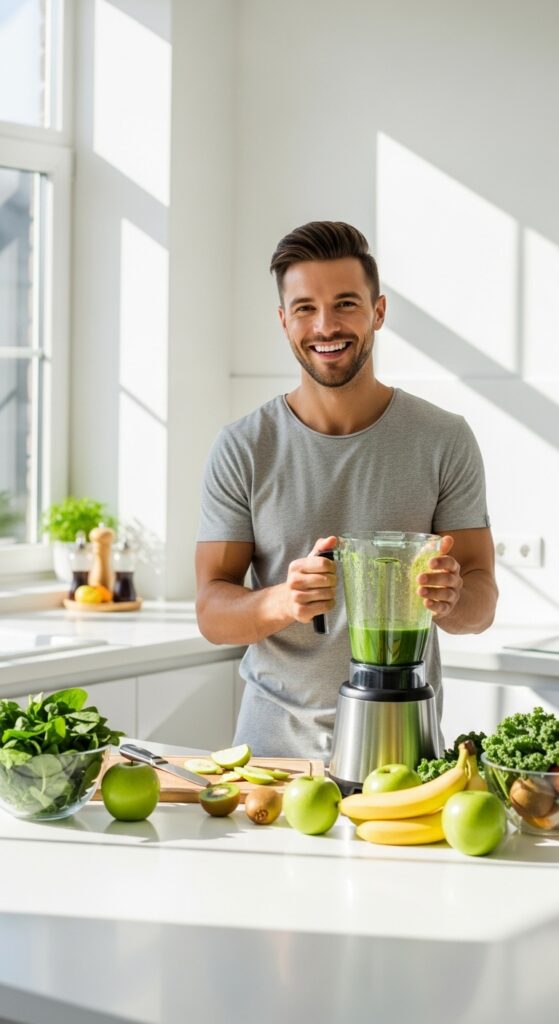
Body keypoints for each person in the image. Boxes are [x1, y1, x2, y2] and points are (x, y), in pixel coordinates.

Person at [195, 221, 498, 760]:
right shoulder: (243, 446)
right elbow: (211, 613)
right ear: (284, 320)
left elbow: (481, 601)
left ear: (378, 312)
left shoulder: (443, 439)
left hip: (403, 748)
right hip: (270, 753)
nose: (325, 326)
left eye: (345, 304)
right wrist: (283, 600)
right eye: (305, 308)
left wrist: (452, 600)